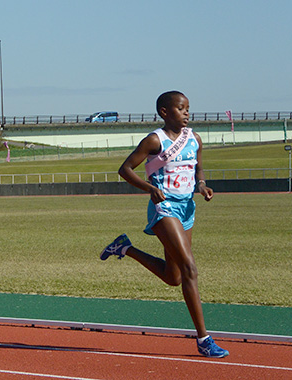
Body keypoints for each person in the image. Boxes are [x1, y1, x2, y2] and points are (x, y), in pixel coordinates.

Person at [101, 90, 229, 358]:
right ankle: (204, 339)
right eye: (181, 108)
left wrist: (202, 185)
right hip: (164, 208)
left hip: (187, 209)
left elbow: (198, 170)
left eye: (188, 108)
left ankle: (125, 248)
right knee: (190, 267)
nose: (187, 113)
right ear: (164, 112)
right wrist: (149, 188)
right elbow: (125, 169)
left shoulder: (194, 139)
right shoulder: (153, 140)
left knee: (174, 277)